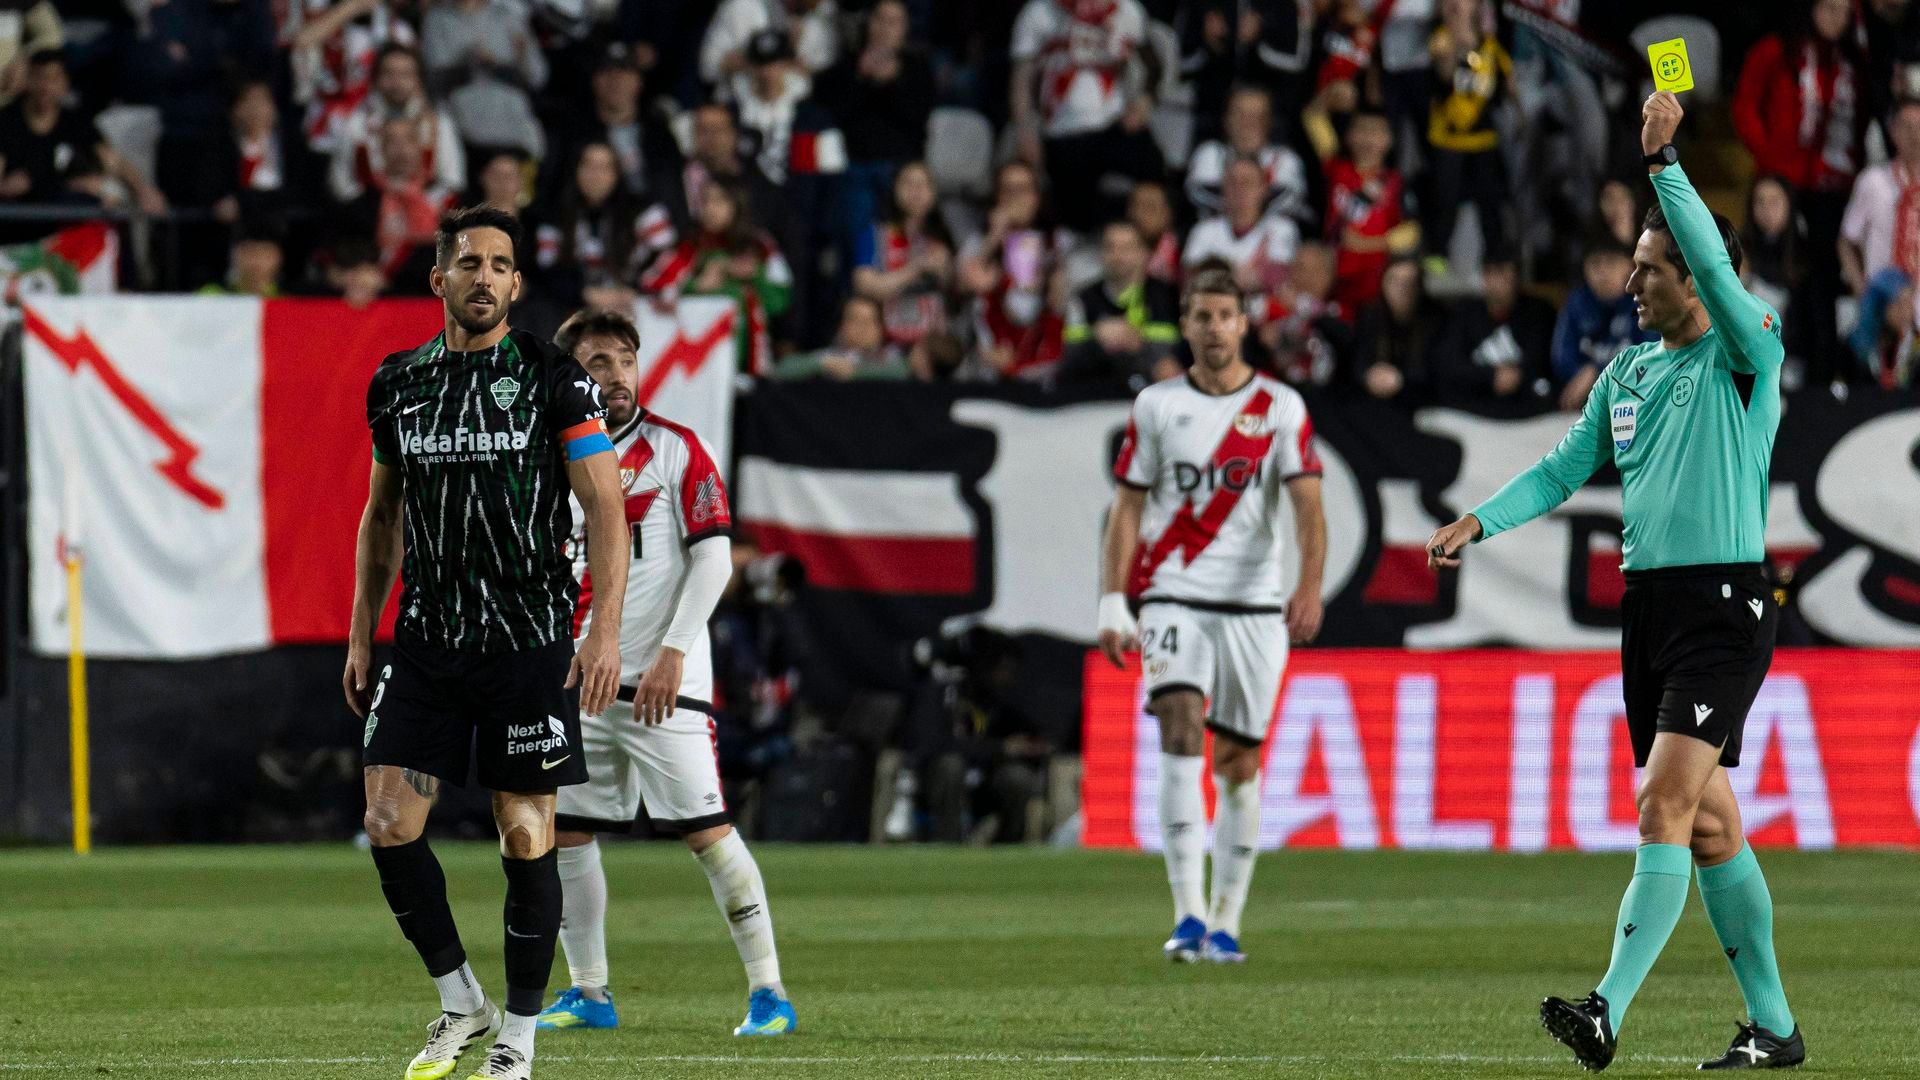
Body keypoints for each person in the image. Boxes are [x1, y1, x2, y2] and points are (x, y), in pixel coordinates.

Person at [1426, 92, 1806, 1074]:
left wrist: (1664, 165)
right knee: (1710, 824)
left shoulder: (1745, 351)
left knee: (1660, 806)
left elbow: (1716, 264)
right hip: (1650, 614)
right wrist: (1479, 519)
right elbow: (1561, 471)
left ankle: (1606, 1009)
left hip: (1725, 606)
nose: (1631, 284)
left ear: (1697, 280)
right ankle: (1774, 1027)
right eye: (1633, 268)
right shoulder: (1627, 375)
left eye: (1649, 270)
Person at [345, 205, 629, 1080]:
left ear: (515, 283)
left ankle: (520, 1037)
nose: (484, 278)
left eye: (500, 265)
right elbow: (381, 516)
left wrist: (604, 632)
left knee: (525, 835)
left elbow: (605, 507)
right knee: (387, 821)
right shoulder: (398, 383)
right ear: (439, 278)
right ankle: (461, 1001)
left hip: (527, 641)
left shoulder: (553, 378)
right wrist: (360, 632)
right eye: (469, 263)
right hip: (427, 640)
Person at [533, 308, 799, 1038]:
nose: (616, 375)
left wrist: (676, 651)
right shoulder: (548, 456)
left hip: (662, 686)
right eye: (598, 362)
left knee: (707, 832)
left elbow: (714, 558)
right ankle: (590, 992)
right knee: (569, 832)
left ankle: (769, 993)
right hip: (581, 684)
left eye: (625, 359)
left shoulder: (677, 449)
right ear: (570, 374)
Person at [1095, 264, 1328, 966]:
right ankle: (1187, 915)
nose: (1215, 328)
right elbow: (1127, 507)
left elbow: (1308, 506)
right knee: (1178, 725)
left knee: (1238, 761)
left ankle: (1226, 920)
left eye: (1226, 315)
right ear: (1186, 324)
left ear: (1244, 323)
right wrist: (1113, 599)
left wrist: (1310, 586)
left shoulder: (1280, 407)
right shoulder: (1156, 405)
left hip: (1253, 604)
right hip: (1173, 593)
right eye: (1202, 316)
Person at [1734, 0, 1865, 384]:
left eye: (1845, 12)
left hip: (1831, 188)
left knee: (1822, 282)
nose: (1837, 19)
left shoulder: (1850, 59)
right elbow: (1745, 106)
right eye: (1830, 8)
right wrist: (1770, 158)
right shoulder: (1776, 50)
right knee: (1773, 275)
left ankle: (1821, 374)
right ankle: (1763, 366)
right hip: (1783, 183)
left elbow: (1857, 121)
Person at [1009, 0, 1165, 233]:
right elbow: (1022, 80)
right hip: (1061, 130)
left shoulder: (1126, 9)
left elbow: (1155, 68)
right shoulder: (1039, 13)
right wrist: (1026, 132)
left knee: (1153, 168)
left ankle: (1148, 243)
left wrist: (1143, 104)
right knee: (1071, 210)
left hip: (1114, 124)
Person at [640, 179, 792, 375]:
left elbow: (780, 302)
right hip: (696, 362)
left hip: (749, 363)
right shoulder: (687, 248)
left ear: (736, 204)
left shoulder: (759, 246)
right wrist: (696, 287)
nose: (711, 208)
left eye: (720, 201)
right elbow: (653, 292)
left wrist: (756, 276)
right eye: (705, 201)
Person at [1424, 0, 1511, 265]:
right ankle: (1437, 257)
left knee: (1490, 204)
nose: (1457, 4)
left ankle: (1495, 263)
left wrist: (1518, 118)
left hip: (1483, 138)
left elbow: (1508, 83)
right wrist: (1456, 37)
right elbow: (1443, 75)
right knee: (1445, 202)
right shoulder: (1440, 39)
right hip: (1447, 139)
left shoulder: (1491, 44)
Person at [1840, 98, 1920, 381]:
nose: (1915, 135)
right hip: (1879, 301)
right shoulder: (1873, 181)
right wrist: (1861, 287)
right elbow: (1846, 240)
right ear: (1893, 131)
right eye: (1907, 126)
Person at [328, 43, 465, 206]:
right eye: (389, 73)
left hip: (427, 213)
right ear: (376, 79)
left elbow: (452, 181)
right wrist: (378, 207)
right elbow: (341, 182)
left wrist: (416, 207)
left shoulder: (439, 124)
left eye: (406, 74)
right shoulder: (356, 124)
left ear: (419, 80)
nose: (397, 82)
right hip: (369, 213)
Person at [1058, 220, 1181, 388]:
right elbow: (1070, 357)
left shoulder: (1167, 296)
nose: (1117, 255)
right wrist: (1097, 337)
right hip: (1096, 393)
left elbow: (1171, 357)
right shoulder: (1083, 298)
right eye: (1110, 247)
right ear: (1100, 253)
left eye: (1127, 248)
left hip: (1149, 392)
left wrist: (1137, 342)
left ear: (1144, 252)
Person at [852, 160, 954, 349]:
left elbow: (955, 293)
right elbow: (865, 285)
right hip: (886, 345)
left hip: (932, 346)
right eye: (908, 183)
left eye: (923, 184)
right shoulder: (875, 234)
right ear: (894, 189)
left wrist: (946, 271)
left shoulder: (943, 237)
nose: (916, 191)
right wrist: (915, 268)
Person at [1431, 251, 1553, 403]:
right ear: (1485, 276)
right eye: (1498, 273)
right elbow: (1448, 362)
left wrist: (1518, 374)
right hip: (1472, 405)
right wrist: (1491, 376)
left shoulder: (1538, 311)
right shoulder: (1465, 312)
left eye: (1510, 274)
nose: (1505, 281)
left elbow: (1542, 359)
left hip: (1525, 405)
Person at [1185, 83, 1311, 229]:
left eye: (1257, 116)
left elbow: (1287, 200)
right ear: (1226, 119)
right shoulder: (1210, 153)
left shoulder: (1284, 159)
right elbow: (1200, 194)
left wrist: (1237, 203)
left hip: (1270, 238)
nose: (1248, 124)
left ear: (1269, 122)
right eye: (1240, 115)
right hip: (1215, 237)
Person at [1321, 108, 1407, 311]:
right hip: (1333, 277)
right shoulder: (1337, 170)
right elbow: (1313, 117)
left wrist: (1364, 244)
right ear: (1348, 136)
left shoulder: (1395, 182)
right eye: (1362, 130)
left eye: (1376, 131)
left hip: (1374, 280)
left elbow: (1411, 233)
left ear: (1390, 139)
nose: (1368, 138)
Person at [1552, 241, 1654, 411]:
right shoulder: (1577, 302)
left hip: (1637, 402)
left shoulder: (1646, 302)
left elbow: (1651, 361)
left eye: (1612, 262)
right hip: (1584, 406)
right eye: (1595, 263)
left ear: (1630, 266)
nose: (1603, 272)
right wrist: (1582, 372)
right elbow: (1561, 358)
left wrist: (1597, 373)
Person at [1182, 155, 1301, 295]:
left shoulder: (1281, 228)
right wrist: (1247, 275)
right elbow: (1189, 279)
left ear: (1263, 189)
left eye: (1247, 182)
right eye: (1232, 182)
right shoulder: (1204, 230)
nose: (1239, 189)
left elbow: (1279, 278)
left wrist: (1219, 271)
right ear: (1223, 188)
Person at [1352, 254, 1440, 402]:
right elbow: (1357, 362)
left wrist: (1401, 380)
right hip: (1372, 397)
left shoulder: (1435, 319)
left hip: (1416, 399)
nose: (1402, 289)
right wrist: (1368, 376)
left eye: (1410, 283)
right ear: (1383, 283)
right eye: (1394, 281)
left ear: (1420, 287)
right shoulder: (1370, 315)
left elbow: (1436, 374)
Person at [772, 294, 907, 379]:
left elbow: (902, 371)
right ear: (842, 326)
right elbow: (781, 370)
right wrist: (822, 364)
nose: (863, 328)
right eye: (855, 320)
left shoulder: (890, 357)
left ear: (880, 329)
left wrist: (855, 372)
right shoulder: (831, 357)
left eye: (869, 321)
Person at [1127, 179, 1182, 285]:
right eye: (1135, 206)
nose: (1139, 214)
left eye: (1150, 207)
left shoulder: (1183, 253)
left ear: (1167, 214)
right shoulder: (1114, 252)